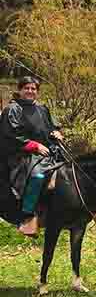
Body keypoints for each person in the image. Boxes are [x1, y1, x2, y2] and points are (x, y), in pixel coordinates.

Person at [0, 76, 63, 236]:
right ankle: (28, 216)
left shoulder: (42, 109)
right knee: (38, 175)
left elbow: (51, 127)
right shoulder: (12, 110)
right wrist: (34, 146)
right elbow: (10, 135)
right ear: (20, 90)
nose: (30, 91)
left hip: (46, 152)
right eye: (26, 88)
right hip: (22, 154)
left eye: (33, 88)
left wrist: (56, 133)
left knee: (69, 169)